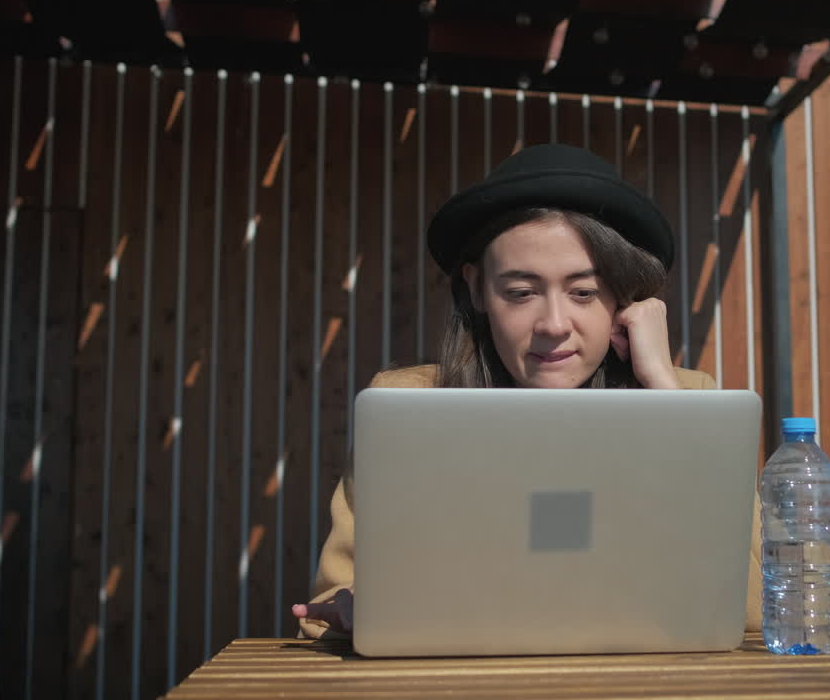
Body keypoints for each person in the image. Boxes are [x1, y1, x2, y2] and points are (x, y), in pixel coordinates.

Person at [292, 143, 763, 638]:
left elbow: (751, 607)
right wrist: (353, 611)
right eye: (520, 293)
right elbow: (335, 599)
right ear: (477, 290)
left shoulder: (687, 399)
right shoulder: (408, 404)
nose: (555, 324)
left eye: (584, 292)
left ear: (625, 299)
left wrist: (665, 396)